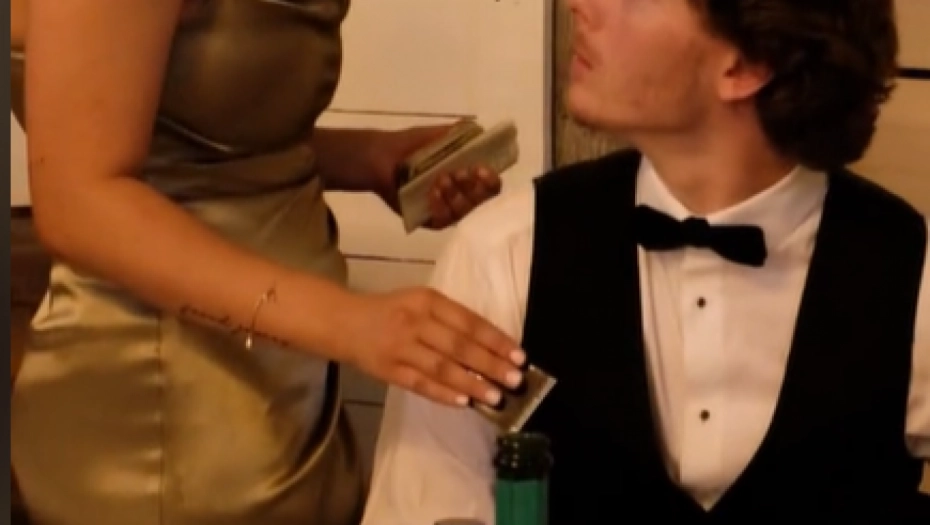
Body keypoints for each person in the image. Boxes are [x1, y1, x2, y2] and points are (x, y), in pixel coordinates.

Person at [361, 0, 930, 522]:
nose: (581, 7)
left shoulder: (915, 270)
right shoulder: (503, 253)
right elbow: (422, 507)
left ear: (744, 67)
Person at [9, 1, 528, 524]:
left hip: (278, 395)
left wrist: (368, 157)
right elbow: (78, 202)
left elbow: (195, 133)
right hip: (163, 424)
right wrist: (350, 321)